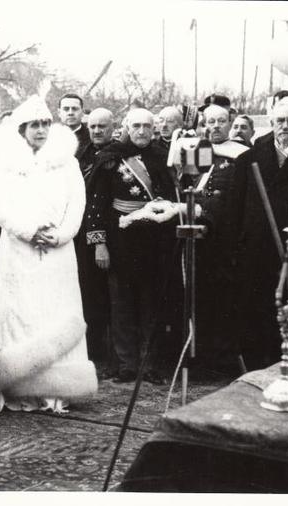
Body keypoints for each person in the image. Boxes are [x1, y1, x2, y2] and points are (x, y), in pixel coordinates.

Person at [0, 95, 97, 413]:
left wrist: (60, 234)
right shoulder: (3, 163)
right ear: (22, 128)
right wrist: (28, 231)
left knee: (55, 313)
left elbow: (77, 203)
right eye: (33, 125)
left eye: (44, 123)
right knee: (17, 315)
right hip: (17, 250)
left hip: (57, 252)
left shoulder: (67, 162)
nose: (40, 130)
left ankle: (58, 389)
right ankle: (14, 386)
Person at [217, 103, 288, 371]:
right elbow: (233, 209)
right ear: (270, 122)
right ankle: (256, 368)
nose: (285, 126)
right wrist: (233, 248)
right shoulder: (248, 160)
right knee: (256, 310)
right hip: (255, 250)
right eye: (280, 121)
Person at [85, 108, 177, 384]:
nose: (141, 131)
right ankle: (126, 364)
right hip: (119, 238)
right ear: (126, 126)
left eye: (147, 126)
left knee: (152, 304)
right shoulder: (109, 158)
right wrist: (99, 243)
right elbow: (96, 204)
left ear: (154, 128)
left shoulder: (163, 157)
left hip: (154, 239)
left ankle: (150, 365)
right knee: (121, 304)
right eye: (135, 125)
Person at [194, 103, 249, 374]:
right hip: (197, 238)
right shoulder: (198, 150)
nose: (215, 127)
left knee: (224, 302)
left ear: (230, 123)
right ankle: (200, 359)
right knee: (199, 299)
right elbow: (191, 185)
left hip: (225, 238)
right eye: (210, 122)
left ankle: (223, 360)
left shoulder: (243, 155)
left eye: (221, 121)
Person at [75, 108, 117, 378]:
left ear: (113, 127)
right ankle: (92, 351)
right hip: (80, 234)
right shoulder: (81, 154)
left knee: (109, 295)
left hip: (112, 234)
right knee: (87, 292)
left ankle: (112, 354)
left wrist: (100, 239)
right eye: (93, 127)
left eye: (103, 126)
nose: (98, 131)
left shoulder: (118, 155)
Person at [58, 93, 91, 159]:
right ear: (59, 113)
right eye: (66, 109)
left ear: (82, 112)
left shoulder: (92, 138)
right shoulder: (50, 138)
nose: (70, 113)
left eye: (74, 109)